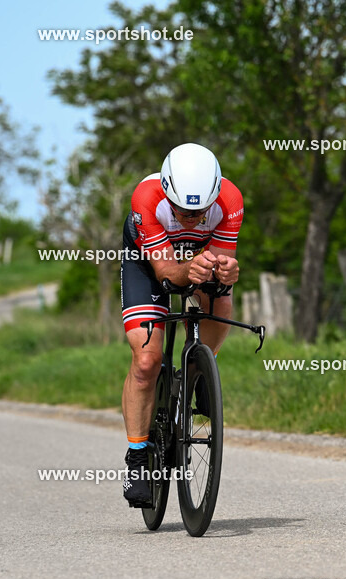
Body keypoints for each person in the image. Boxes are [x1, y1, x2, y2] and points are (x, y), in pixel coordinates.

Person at [119, 142, 242, 507]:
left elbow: (221, 267)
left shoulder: (230, 201)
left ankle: (200, 368)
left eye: (200, 211)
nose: (191, 217)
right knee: (146, 362)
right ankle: (137, 460)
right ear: (167, 193)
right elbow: (166, 274)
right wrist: (190, 268)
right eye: (182, 210)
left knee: (220, 298)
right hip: (148, 263)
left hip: (197, 256)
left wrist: (226, 272)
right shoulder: (146, 198)